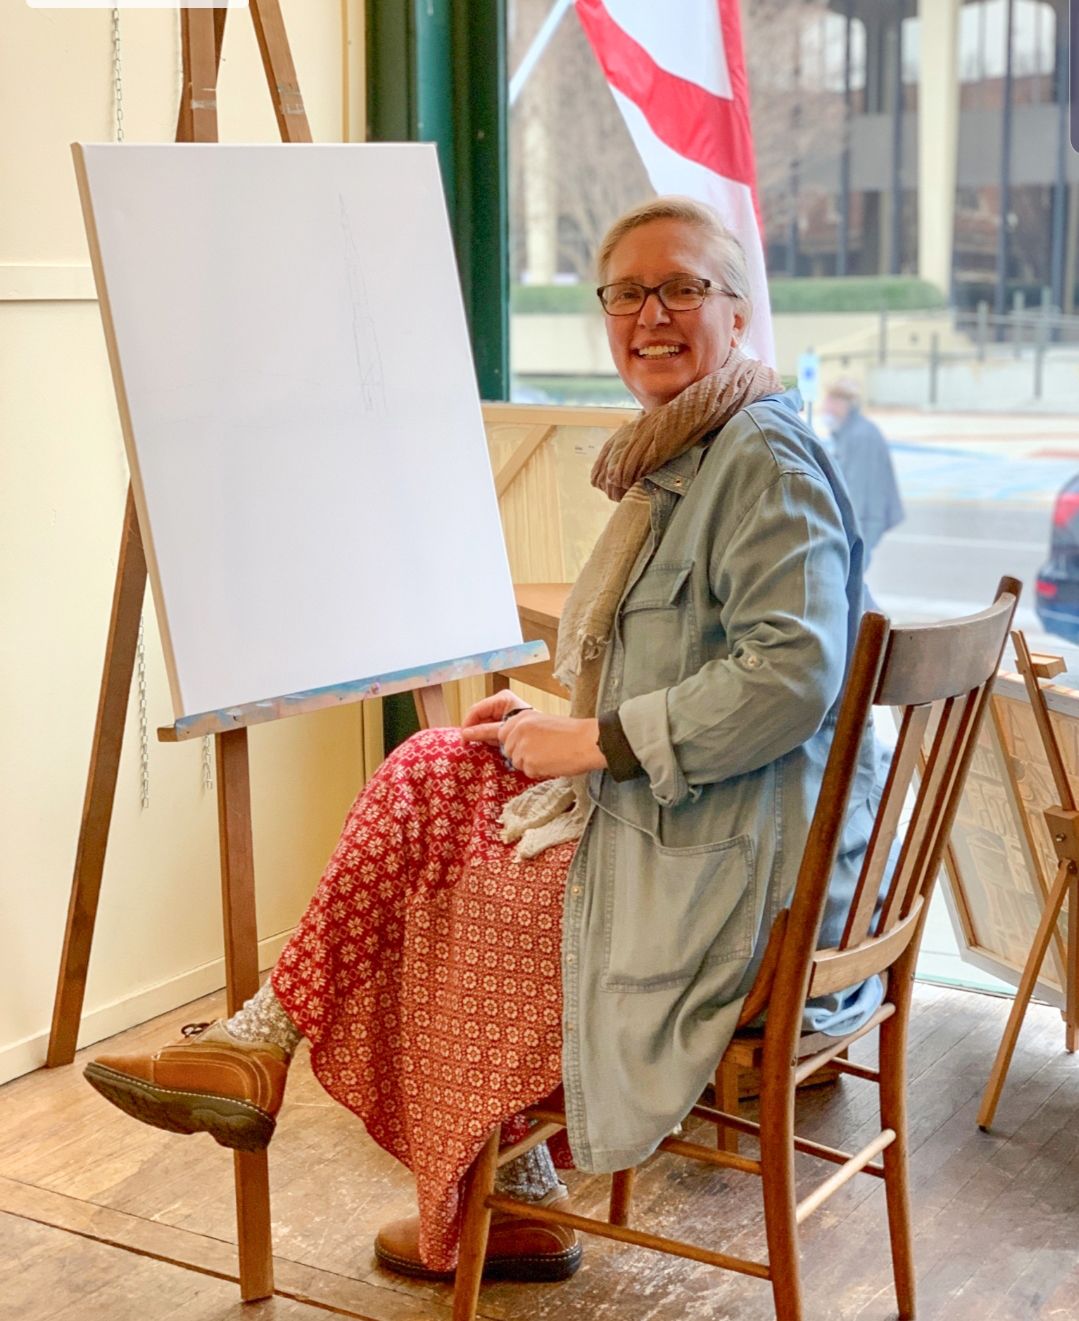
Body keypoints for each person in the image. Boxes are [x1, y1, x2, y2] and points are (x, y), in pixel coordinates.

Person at [84, 196, 885, 1285]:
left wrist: (592, 738)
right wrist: (548, 715)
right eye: (626, 292)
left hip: (735, 886)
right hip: (702, 828)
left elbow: (789, 674)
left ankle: (492, 1185)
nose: (651, 313)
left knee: (437, 891)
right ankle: (264, 1052)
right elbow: (703, 659)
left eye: (682, 287)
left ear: (737, 314)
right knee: (432, 769)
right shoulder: (699, 449)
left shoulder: (761, 464)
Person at [820, 377, 904, 565]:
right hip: (860, 523)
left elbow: (856, 492)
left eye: (831, 402)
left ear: (844, 405)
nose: (826, 408)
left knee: (851, 582)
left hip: (863, 524)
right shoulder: (847, 432)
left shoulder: (861, 436)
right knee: (851, 584)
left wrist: (847, 533)